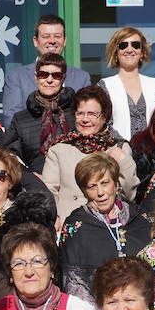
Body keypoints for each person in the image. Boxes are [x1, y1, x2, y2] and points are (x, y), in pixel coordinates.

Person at [57, 152, 146, 303]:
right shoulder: (77, 225)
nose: (100, 193)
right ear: (84, 191)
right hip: (96, 309)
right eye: (92, 186)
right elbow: (73, 281)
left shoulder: (139, 218)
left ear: (116, 184)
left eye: (105, 183)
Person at [41, 86, 137, 219]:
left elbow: (129, 195)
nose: (85, 119)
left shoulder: (119, 147)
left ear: (104, 117)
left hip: (109, 223)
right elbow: (49, 191)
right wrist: (54, 218)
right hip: (69, 223)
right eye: (80, 113)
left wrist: (124, 161)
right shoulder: (59, 149)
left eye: (92, 114)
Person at [1, 14, 93, 121]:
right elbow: (11, 119)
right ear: (35, 41)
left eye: (57, 36)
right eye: (46, 36)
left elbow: (87, 117)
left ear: (65, 41)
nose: (52, 40)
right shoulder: (17, 77)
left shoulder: (81, 78)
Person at [0, 53, 76, 175]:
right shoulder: (21, 119)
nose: (49, 80)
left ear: (63, 78)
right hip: (37, 188)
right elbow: (10, 157)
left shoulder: (77, 113)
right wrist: (32, 178)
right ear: (36, 77)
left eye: (56, 76)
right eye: (43, 75)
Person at [100, 28, 155, 142]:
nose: (129, 49)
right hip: (117, 153)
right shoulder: (104, 86)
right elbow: (102, 124)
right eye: (123, 45)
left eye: (135, 45)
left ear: (142, 52)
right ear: (116, 52)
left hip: (152, 154)